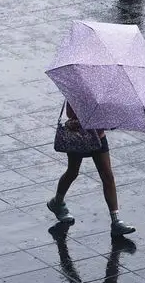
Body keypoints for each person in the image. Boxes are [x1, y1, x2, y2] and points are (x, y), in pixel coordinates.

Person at [47, 102, 135, 237]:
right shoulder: (77, 88)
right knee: (72, 172)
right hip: (79, 136)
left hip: (98, 137)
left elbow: (108, 119)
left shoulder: (105, 93)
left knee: (107, 176)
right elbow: (70, 113)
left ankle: (116, 220)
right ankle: (57, 202)